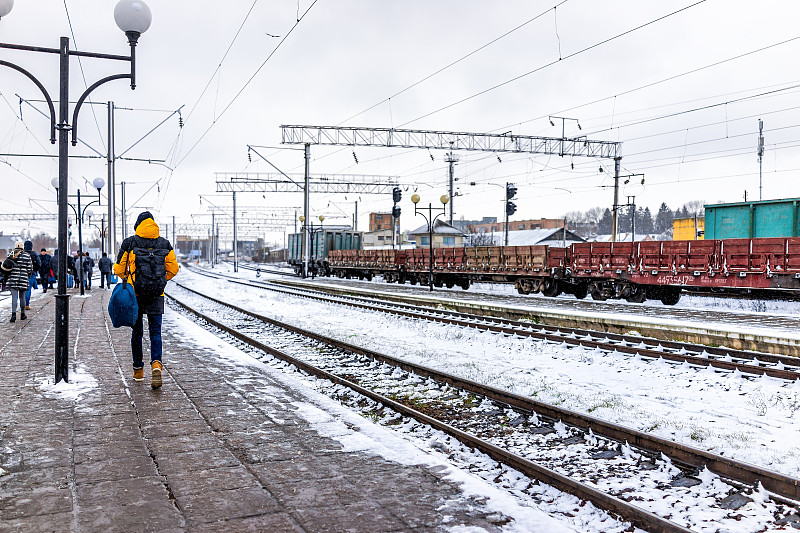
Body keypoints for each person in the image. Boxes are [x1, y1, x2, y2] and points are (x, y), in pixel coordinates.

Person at [114, 211, 179, 388]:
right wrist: (160, 280)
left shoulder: (129, 243)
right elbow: (174, 269)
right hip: (157, 295)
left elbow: (119, 270)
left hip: (136, 296)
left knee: (137, 333)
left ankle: (138, 371)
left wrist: (132, 276)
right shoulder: (164, 243)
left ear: (138, 225)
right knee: (156, 333)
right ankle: (156, 364)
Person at [3, 241, 33, 322]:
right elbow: (30, 268)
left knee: (14, 297)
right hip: (23, 278)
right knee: (22, 297)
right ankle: (23, 314)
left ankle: (13, 315)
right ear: (23, 247)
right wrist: (27, 276)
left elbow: (6, 266)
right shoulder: (27, 255)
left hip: (12, 279)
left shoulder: (11, 254)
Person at [23, 241, 40, 310]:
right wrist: (35, 270)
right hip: (32, 273)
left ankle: (22, 303)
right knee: (28, 288)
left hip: (23, 273)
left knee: (22, 289)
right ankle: (26, 304)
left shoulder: (22, 254)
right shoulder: (34, 254)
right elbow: (39, 263)